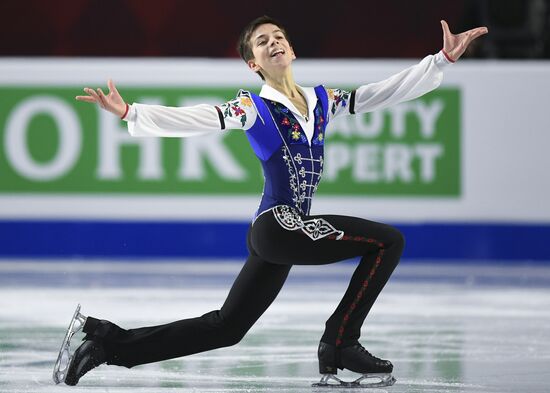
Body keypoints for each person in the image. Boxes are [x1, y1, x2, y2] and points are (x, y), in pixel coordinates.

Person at [54, 16, 488, 387]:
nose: (273, 42)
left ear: (291, 49)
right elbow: (200, 117)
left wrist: (441, 60)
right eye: (262, 42)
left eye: (278, 36)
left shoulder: (321, 100)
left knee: (227, 328)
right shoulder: (252, 108)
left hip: (285, 230)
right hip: (276, 225)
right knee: (388, 241)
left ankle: (104, 343)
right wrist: (132, 113)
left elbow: (377, 93)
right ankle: (341, 343)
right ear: (253, 63)